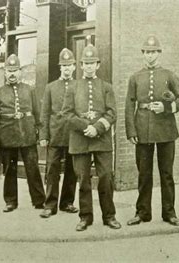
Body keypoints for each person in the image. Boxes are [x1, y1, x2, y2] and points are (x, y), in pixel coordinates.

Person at [125, 35, 179, 227]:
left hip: (166, 130)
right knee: (144, 173)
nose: (150, 56)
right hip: (143, 129)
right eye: (147, 52)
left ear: (159, 53)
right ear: (143, 54)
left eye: (154, 52)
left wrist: (167, 108)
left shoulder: (169, 75)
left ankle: (169, 212)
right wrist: (131, 130)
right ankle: (143, 212)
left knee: (166, 173)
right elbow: (129, 105)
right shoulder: (135, 77)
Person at [62, 45, 121, 231]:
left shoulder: (106, 87)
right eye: (85, 63)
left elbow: (112, 113)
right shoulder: (72, 87)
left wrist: (97, 128)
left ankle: (109, 216)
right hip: (80, 141)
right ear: (80, 65)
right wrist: (85, 127)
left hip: (101, 140)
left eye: (92, 63)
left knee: (105, 178)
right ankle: (85, 217)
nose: (88, 67)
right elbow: (66, 113)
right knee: (84, 180)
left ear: (98, 65)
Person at [0, 54, 46, 213]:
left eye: (15, 70)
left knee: (33, 169)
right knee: (9, 170)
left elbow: (37, 114)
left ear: (20, 71)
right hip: (7, 137)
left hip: (27, 135)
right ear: (5, 72)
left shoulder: (29, 90)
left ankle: (39, 200)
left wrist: (41, 135)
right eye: (9, 70)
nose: (12, 74)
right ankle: (11, 201)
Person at [39, 48, 79, 218]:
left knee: (72, 169)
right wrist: (43, 135)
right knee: (52, 169)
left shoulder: (79, 86)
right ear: (60, 68)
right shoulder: (50, 87)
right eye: (64, 65)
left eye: (70, 65)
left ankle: (67, 202)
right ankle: (50, 204)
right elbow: (45, 113)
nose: (67, 68)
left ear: (75, 67)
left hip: (73, 134)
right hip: (55, 133)